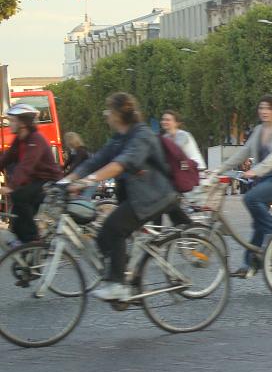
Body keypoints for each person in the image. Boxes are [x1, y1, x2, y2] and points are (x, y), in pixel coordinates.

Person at [65, 93, 178, 300]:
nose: (105, 115)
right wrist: (66, 181)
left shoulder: (142, 134)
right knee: (102, 237)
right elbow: (96, 160)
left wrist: (85, 182)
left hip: (153, 196)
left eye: (108, 110)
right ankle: (125, 274)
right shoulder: (119, 137)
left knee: (114, 229)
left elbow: (122, 164)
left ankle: (119, 285)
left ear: (118, 114)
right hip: (135, 196)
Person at [216, 95, 272, 276]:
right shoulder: (259, 130)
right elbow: (243, 152)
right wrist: (219, 169)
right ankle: (250, 265)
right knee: (258, 224)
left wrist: (256, 170)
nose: (264, 111)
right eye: (261, 108)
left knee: (250, 199)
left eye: (268, 108)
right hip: (265, 179)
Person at [0, 104, 62, 247]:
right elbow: (5, 159)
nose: (10, 124)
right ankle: (25, 247)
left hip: (49, 182)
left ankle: (33, 241)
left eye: (12, 120)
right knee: (16, 216)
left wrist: (11, 187)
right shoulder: (20, 139)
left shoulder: (36, 140)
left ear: (23, 123)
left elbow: (25, 167)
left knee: (19, 196)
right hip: (36, 182)